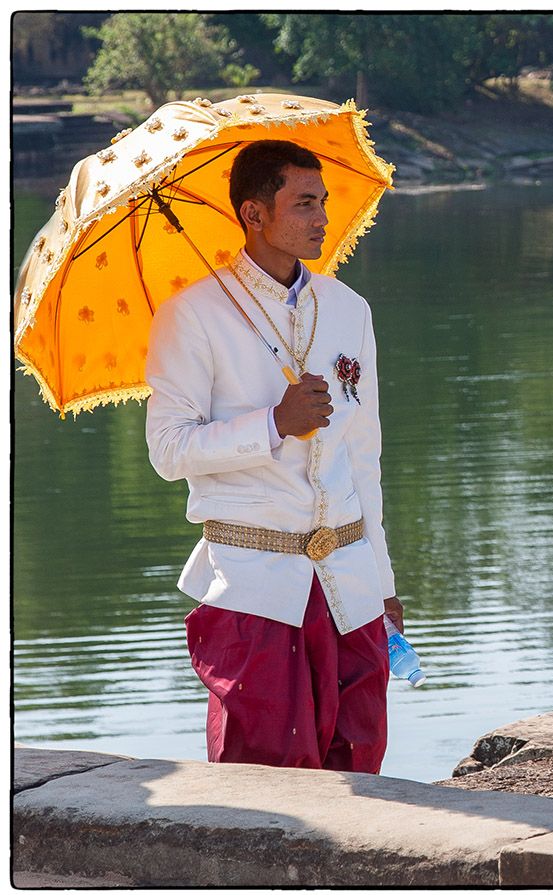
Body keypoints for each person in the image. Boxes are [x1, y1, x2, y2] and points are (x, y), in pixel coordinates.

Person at [144, 140, 402, 773]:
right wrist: (273, 424)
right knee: (264, 784)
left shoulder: (349, 310)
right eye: (303, 203)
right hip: (254, 586)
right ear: (253, 213)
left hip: (349, 583)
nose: (321, 219)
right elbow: (167, 450)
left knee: (361, 764)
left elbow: (364, 457)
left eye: (324, 202)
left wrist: (386, 585)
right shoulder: (191, 315)